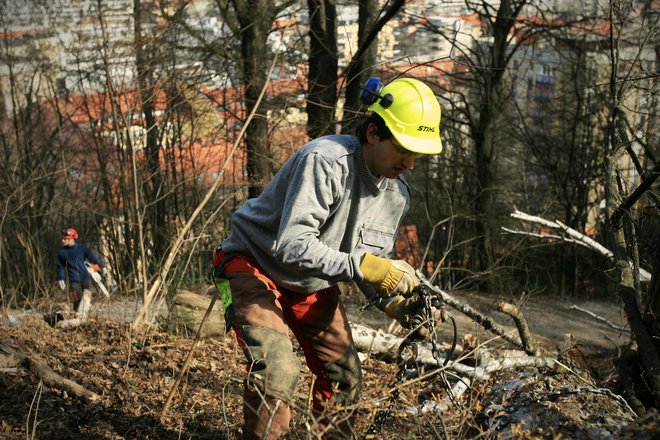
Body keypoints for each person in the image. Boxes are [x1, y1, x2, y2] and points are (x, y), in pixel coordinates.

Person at [212, 77, 443, 439]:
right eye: (403, 148)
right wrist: (362, 266)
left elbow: (371, 265)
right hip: (251, 263)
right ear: (372, 133)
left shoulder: (397, 195)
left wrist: (396, 301)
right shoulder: (325, 161)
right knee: (277, 370)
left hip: (309, 283)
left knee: (345, 376)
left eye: (418, 153)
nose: (410, 162)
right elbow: (291, 245)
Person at [56, 228, 106, 319]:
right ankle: (77, 318)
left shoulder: (82, 248)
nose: (62, 240)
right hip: (74, 281)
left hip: (86, 278)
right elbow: (60, 267)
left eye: (65, 238)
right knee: (77, 300)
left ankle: (85, 317)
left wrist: (102, 266)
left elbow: (92, 257)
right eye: (62, 238)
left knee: (87, 299)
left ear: (72, 238)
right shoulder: (62, 252)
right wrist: (61, 278)